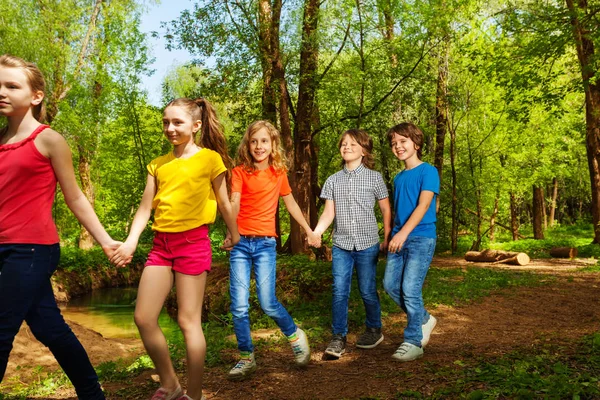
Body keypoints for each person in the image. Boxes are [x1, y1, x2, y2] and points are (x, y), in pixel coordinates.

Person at [0, 54, 121, 399]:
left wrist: (105, 241)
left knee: (1, 329)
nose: (2, 92)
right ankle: (91, 391)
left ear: (36, 96)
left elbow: (76, 198)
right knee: (49, 328)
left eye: (12, 85)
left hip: (33, 250)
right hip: (3, 248)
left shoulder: (48, 140)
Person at [110, 98, 240, 400]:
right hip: (161, 245)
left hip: (193, 243)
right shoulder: (158, 164)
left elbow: (222, 201)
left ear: (196, 126)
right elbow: (145, 209)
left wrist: (234, 234)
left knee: (187, 321)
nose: (170, 128)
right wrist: (130, 241)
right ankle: (170, 385)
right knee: (143, 317)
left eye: (177, 122)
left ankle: (194, 395)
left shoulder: (210, 159)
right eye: (166, 122)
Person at [226, 120, 318, 381]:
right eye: (254, 141)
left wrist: (309, 231)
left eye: (264, 141)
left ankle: (295, 336)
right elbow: (233, 203)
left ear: (273, 144)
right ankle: (246, 357)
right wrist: (231, 234)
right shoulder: (239, 172)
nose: (258, 146)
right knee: (239, 305)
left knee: (268, 302)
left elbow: (291, 206)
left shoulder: (279, 174)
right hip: (240, 244)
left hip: (266, 243)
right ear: (247, 144)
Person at [313, 129, 391, 359]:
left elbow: (385, 209)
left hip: (368, 244)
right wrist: (317, 232)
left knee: (367, 290)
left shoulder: (374, 178)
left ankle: (374, 329)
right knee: (339, 291)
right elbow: (329, 213)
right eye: (344, 144)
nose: (346, 147)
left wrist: (386, 237)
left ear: (364, 151)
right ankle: (338, 337)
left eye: (353, 144)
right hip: (342, 245)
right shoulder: (332, 180)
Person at [383, 122, 439, 362]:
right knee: (390, 285)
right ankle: (424, 319)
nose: (398, 147)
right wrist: (391, 236)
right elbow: (399, 210)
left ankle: (414, 341)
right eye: (394, 144)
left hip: (420, 237)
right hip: (399, 237)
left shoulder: (428, 171)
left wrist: (403, 233)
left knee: (410, 289)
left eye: (403, 141)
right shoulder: (398, 177)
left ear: (416, 143)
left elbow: (425, 205)